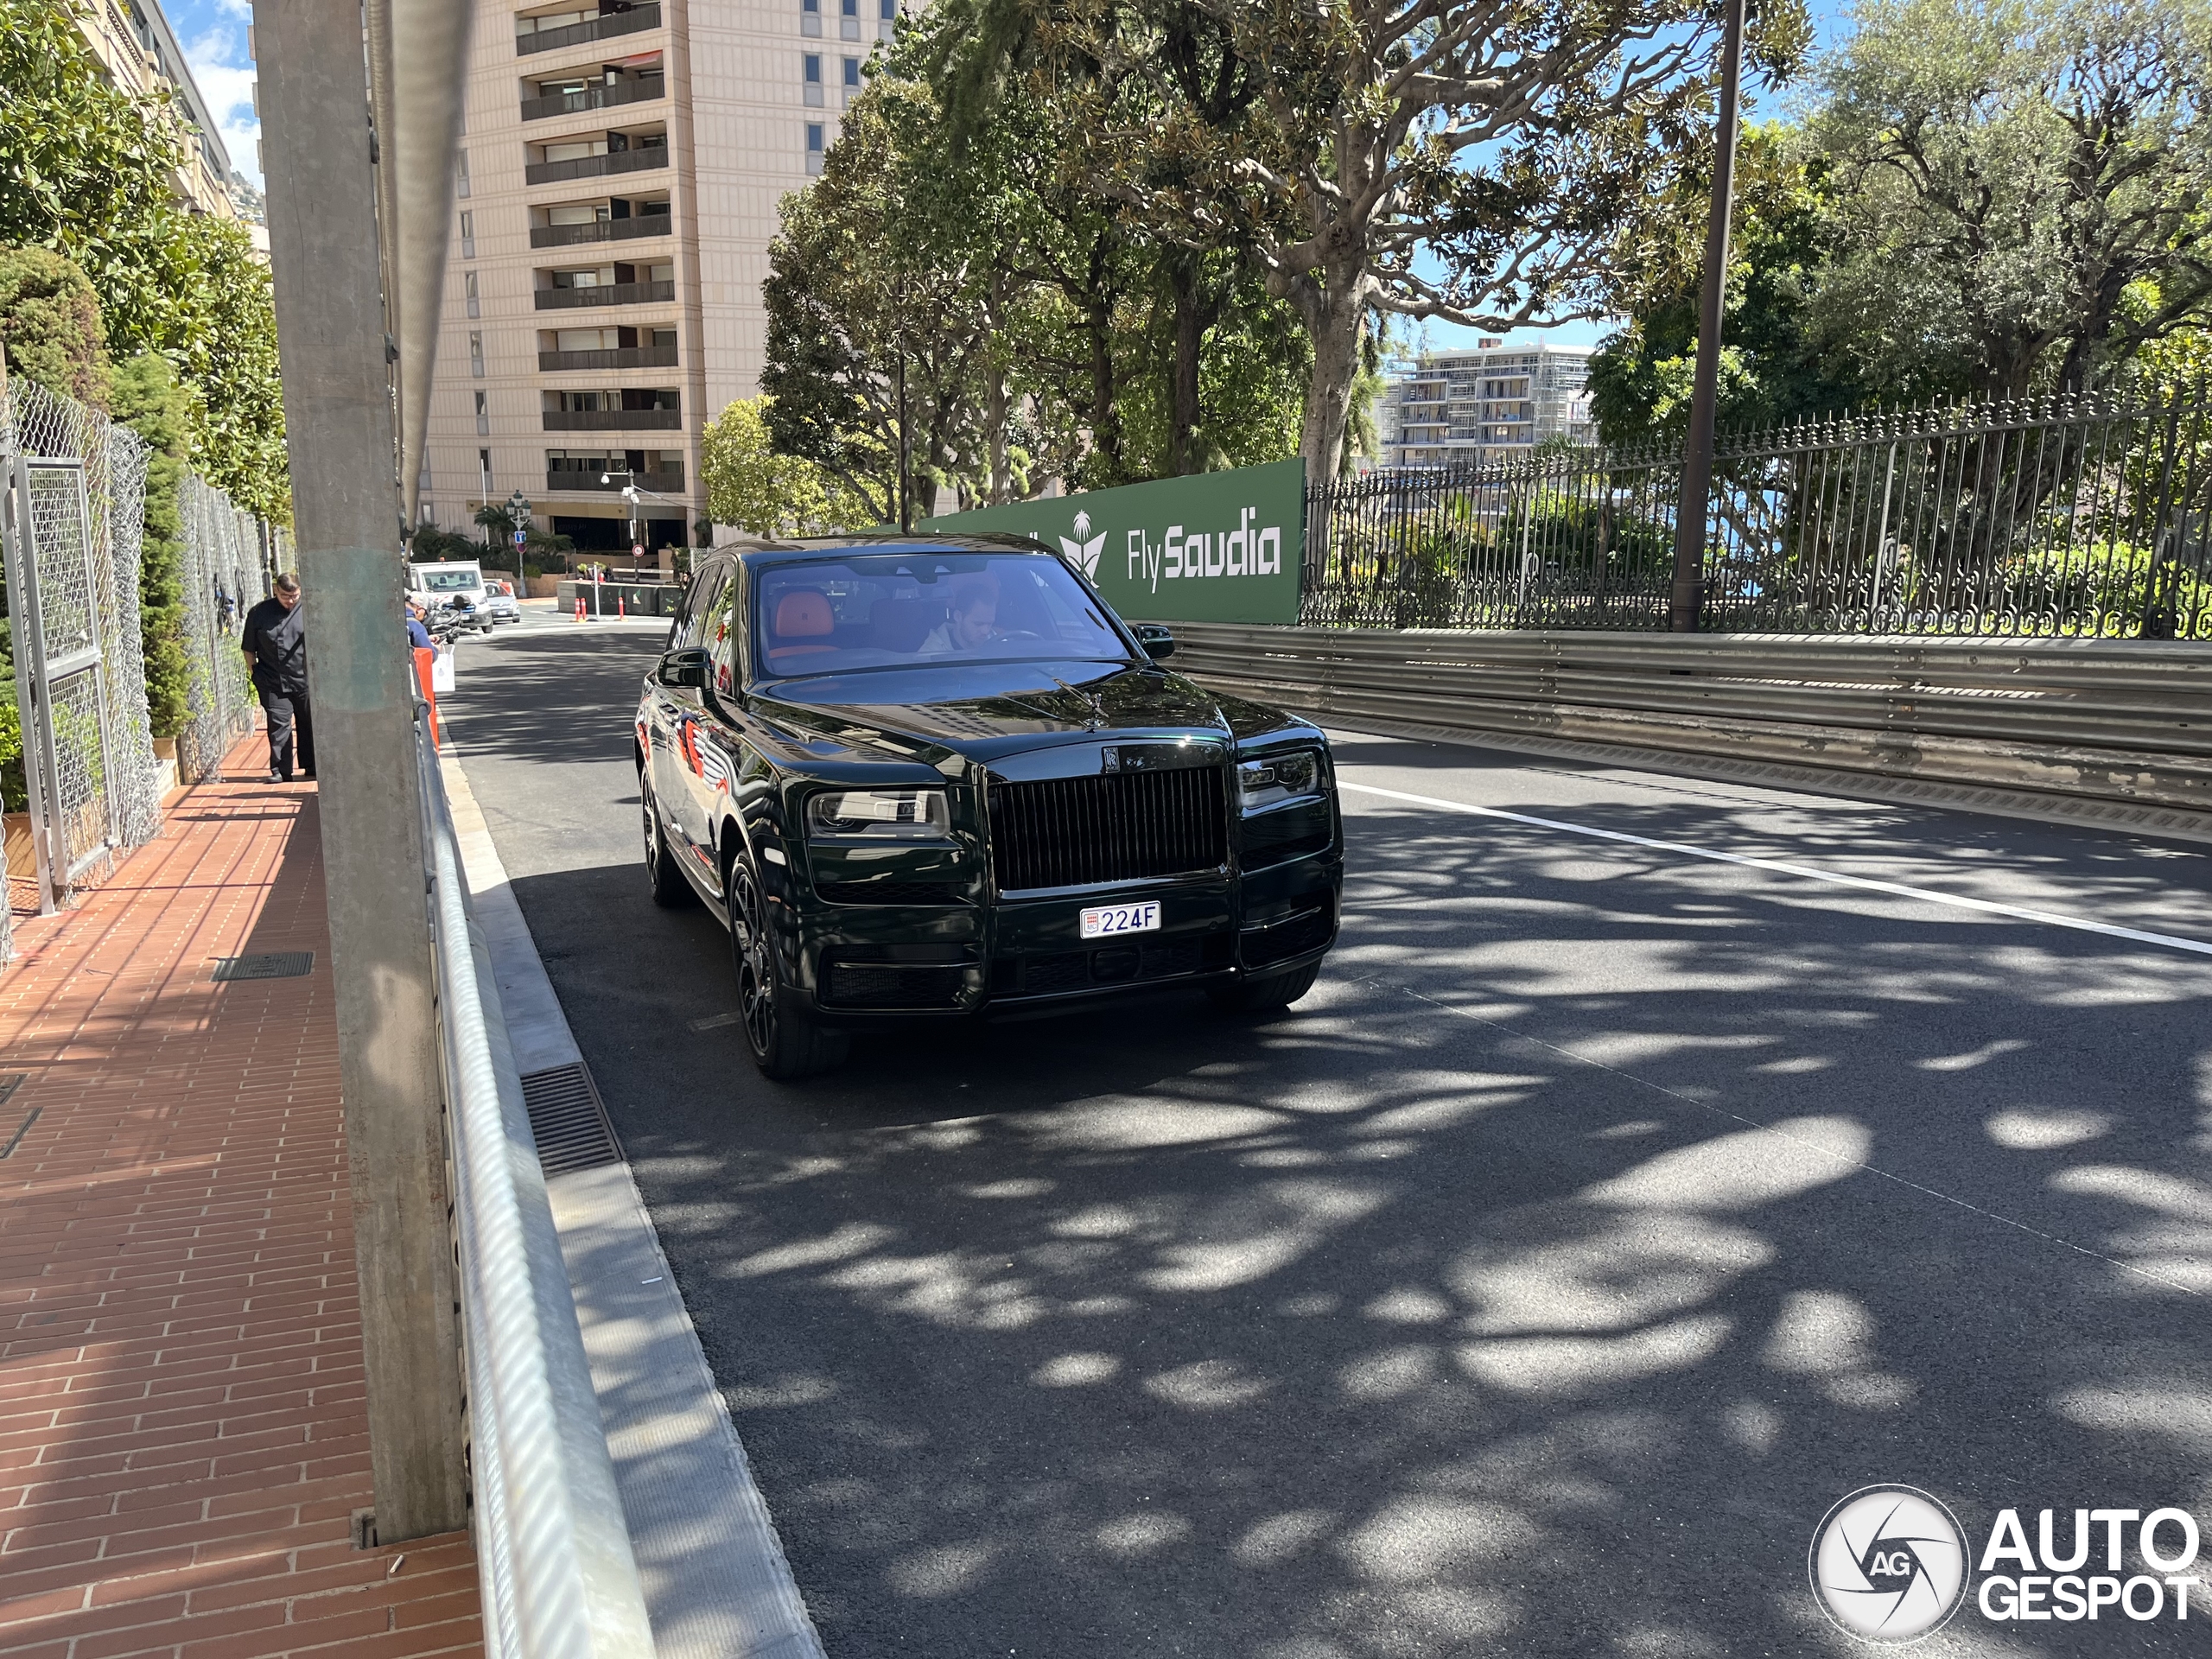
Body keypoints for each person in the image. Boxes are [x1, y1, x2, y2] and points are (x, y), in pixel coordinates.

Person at [239, 573, 313, 783]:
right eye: (285, 596)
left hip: (304, 678)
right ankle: (280, 770)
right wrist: (253, 672)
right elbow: (248, 648)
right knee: (279, 723)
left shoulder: (307, 609)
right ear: (275, 591)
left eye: (295, 596)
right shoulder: (260, 613)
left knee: (308, 722)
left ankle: (312, 764)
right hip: (272, 679)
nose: (290, 601)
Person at [918, 579, 1001, 654]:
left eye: (990, 624)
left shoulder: (1000, 646)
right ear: (958, 616)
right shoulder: (930, 654)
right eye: (978, 624)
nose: (985, 632)